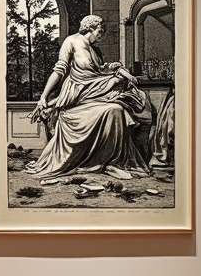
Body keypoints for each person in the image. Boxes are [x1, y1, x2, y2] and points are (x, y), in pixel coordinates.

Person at [26, 14, 149, 180]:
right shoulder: (71, 41)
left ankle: (113, 162)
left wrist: (119, 70)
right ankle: (100, 161)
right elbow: (59, 70)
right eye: (100, 30)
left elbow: (101, 70)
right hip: (76, 99)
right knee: (114, 109)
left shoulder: (95, 49)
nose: (102, 34)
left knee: (117, 110)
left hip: (94, 94)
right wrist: (43, 96)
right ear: (90, 28)